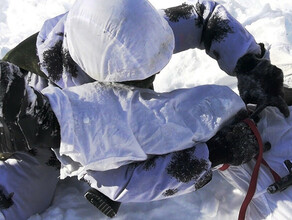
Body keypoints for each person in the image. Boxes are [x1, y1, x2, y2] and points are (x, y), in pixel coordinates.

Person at [0, 0, 290, 219]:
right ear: (108, 78)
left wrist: (252, 66)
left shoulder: (115, 28)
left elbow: (205, 19)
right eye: (139, 79)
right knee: (19, 203)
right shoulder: (89, 113)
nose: (150, 79)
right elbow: (119, 180)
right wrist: (215, 153)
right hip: (30, 140)